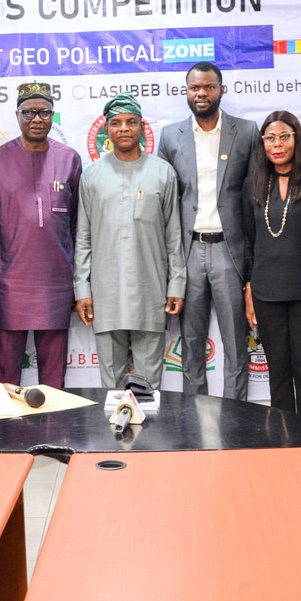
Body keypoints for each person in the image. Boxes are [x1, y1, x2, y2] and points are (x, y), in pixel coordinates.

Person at [157, 62, 257, 400]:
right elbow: (166, 201)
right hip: (188, 253)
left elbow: (256, 196)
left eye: (209, 87)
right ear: (186, 91)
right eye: (195, 88)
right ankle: (193, 418)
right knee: (191, 346)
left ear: (221, 90)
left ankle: (236, 418)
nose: (202, 93)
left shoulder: (246, 131)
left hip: (230, 251)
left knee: (235, 344)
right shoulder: (171, 136)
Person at [74, 94, 185, 388]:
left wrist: (176, 285)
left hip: (151, 289)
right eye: (116, 123)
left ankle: (151, 433)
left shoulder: (163, 173)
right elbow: (83, 238)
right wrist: (82, 288)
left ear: (141, 127)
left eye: (130, 122)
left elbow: (173, 236)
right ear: (107, 130)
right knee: (111, 385)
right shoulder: (92, 175)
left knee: (150, 385)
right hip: (105, 292)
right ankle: (112, 434)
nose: (124, 128)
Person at [0, 82, 82, 389]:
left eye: (44, 112)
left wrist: (79, 284)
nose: (37, 119)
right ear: (17, 115)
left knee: (53, 379)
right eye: (29, 112)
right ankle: (3, 436)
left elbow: (78, 225)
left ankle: (55, 433)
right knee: (5, 377)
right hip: (10, 283)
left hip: (56, 283)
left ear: (53, 116)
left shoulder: (70, 159)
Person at [243, 111, 301, 418]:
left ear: (297, 138)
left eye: (285, 136)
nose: (277, 145)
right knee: (278, 369)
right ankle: (285, 438)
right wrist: (248, 288)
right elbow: (249, 241)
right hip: (266, 291)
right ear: (262, 144)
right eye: (270, 138)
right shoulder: (254, 182)